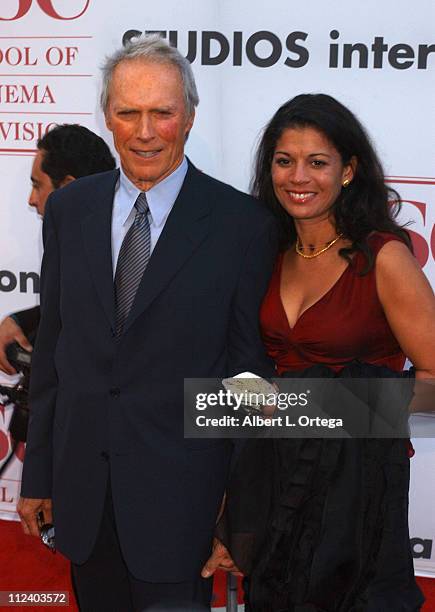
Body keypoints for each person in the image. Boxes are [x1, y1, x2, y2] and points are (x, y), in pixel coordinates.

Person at [17, 35, 278, 611]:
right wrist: (38, 476)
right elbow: (57, 347)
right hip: (83, 498)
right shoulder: (69, 209)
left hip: (182, 504)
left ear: (188, 116)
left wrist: (238, 514)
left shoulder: (242, 225)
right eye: (127, 112)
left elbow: (247, 377)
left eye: (162, 112)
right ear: (106, 115)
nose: (144, 131)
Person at [207, 94, 434, 610]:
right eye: (284, 161)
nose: (298, 177)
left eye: (317, 162)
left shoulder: (384, 258)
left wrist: (317, 404)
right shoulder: (266, 253)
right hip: (272, 472)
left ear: (348, 171)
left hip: (356, 485)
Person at [0, 124, 116, 375]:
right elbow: (64, 310)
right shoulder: (75, 245)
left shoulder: (120, 256)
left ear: (67, 188)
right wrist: (20, 321)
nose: (31, 199)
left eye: (37, 185)